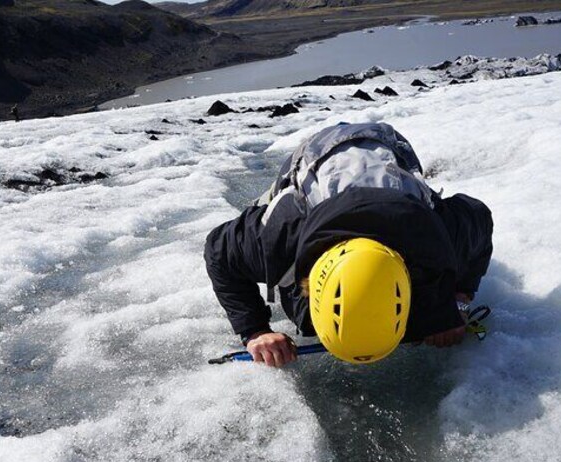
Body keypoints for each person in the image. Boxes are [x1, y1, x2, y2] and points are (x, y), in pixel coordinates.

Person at [204, 122, 493, 367]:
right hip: (313, 159)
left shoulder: (440, 239)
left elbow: (479, 215)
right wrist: (255, 331)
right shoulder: (277, 236)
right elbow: (218, 250)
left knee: (432, 303)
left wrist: (458, 300)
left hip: (389, 155)